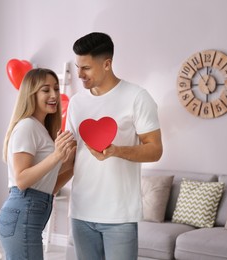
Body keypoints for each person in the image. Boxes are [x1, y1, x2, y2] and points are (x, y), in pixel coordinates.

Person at [66, 32, 163, 260]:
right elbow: (71, 154)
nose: (79, 74)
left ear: (107, 64)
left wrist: (116, 151)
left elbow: (155, 150)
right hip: (80, 212)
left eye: (86, 68)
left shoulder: (137, 97)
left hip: (119, 215)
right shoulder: (77, 103)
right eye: (78, 66)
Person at [0, 68, 76, 260]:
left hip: (31, 212)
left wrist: (73, 165)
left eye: (56, 89)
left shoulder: (41, 130)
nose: (54, 95)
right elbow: (22, 179)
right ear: (31, 94)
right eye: (46, 89)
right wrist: (57, 155)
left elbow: (49, 186)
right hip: (22, 212)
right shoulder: (27, 126)